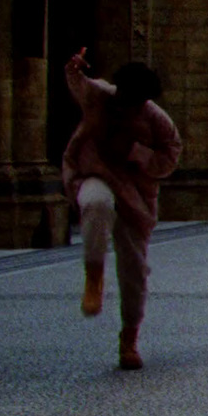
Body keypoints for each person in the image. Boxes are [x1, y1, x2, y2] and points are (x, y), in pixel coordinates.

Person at [62, 49, 182, 370]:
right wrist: (74, 66)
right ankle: (94, 277)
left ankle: (129, 337)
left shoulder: (157, 119)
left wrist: (138, 153)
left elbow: (170, 155)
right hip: (96, 173)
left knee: (134, 267)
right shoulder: (102, 95)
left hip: (136, 194)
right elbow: (79, 83)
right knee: (95, 203)